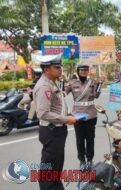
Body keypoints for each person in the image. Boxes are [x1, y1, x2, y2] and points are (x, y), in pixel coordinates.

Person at [33, 54, 77, 190]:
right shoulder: (44, 86)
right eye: (56, 67)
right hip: (52, 131)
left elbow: (56, 106)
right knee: (50, 169)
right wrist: (66, 119)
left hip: (57, 130)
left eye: (60, 67)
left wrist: (66, 114)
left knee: (55, 167)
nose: (60, 70)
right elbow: (43, 113)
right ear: (46, 69)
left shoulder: (51, 83)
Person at [65, 64, 104, 166]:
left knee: (90, 139)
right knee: (79, 139)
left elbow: (97, 95)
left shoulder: (92, 82)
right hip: (77, 115)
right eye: (81, 70)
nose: (83, 71)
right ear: (78, 71)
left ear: (88, 71)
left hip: (91, 115)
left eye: (85, 70)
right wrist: (61, 82)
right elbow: (62, 93)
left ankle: (90, 159)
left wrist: (100, 83)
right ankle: (82, 160)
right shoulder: (72, 83)